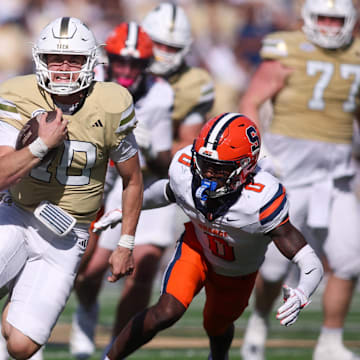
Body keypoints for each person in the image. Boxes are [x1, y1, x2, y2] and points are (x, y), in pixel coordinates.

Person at [94, 112, 324, 360]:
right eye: (204, 163)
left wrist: (302, 293)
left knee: (217, 327)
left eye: (219, 168)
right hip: (196, 249)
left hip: (237, 273)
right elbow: (168, 192)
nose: (207, 174)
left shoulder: (261, 199)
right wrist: (126, 209)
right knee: (166, 311)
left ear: (246, 166)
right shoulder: (186, 170)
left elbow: (309, 261)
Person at [0, 16, 143, 360]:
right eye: (55, 58)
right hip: (18, 212)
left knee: (22, 345)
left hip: (68, 235)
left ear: (90, 61)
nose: (63, 68)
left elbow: (133, 179)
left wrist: (125, 243)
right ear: (41, 60)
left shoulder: (111, 103)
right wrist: (39, 146)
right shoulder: (18, 93)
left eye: (73, 59)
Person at [238, 1, 360, 359]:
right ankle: (260, 320)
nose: (328, 25)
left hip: (336, 178)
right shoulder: (287, 47)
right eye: (322, 17)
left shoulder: (356, 54)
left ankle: (330, 342)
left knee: (350, 259)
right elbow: (251, 100)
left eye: (336, 19)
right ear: (307, 18)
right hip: (289, 175)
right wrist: (258, 149)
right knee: (275, 268)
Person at [69, 21, 175, 360]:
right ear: (109, 59)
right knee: (87, 269)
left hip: (136, 182)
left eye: (135, 63)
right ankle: (86, 311)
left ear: (147, 65)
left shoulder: (160, 93)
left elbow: (162, 160)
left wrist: (148, 147)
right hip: (96, 177)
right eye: (122, 61)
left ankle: (114, 351)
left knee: (139, 267)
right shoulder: (92, 81)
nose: (127, 69)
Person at [141, 2, 215, 155]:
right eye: (158, 44)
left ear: (185, 48)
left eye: (172, 47)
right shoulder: (126, 68)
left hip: (158, 168)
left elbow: (188, 145)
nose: (164, 52)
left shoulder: (195, 83)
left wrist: (153, 149)